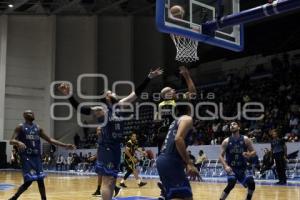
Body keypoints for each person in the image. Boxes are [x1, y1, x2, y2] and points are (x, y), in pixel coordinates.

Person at [58, 68, 163, 200]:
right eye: (111, 92)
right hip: (106, 147)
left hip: (115, 147)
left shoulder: (119, 105)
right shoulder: (101, 110)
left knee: (113, 180)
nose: (114, 93)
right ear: (107, 97)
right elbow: (81, 109)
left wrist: (149, 77)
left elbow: (136, 93)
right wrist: (69, 95)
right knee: (108, 181)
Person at [8, 110, 75, 200]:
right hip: (27, 157)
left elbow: (50, 140)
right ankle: (14, 198)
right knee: (29, 181)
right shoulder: (20, 127)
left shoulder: (38, 128)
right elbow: (11, 141)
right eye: (29, 113)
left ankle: (43, 199)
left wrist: (65, 145)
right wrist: (18, 142)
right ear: (24, 116)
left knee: (40, 180)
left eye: (32, 113)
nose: (32, 114)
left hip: (37, 157)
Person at [157, 66, 197, 199]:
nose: (174, 90)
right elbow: (192, 94)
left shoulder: (175, 102)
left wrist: (187, 77)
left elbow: (191, 94)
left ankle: (166, 189)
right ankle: (166, 188)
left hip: (169, 137)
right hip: (169, 136)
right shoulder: (167, 104)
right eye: (171, 90)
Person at [156, 102, 199, 200]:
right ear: (189, 108)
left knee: (182, 196)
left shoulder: (175, 122)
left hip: (164, 159)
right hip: (171, 160)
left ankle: (164, 193)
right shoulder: (187, 119)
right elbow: (178, 139)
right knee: (185, 196)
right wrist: (189, 164)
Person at [219, 121, 256, 200]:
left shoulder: (245, 139)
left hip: (243, 167)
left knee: (252, 184)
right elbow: (220, 156)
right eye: (230, 125)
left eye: (234, 124)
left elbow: (254, 152)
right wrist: (225, 166)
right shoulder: (226, 141)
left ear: (239, 127)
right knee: (231, 184)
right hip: (232, 168)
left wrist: (249, 154)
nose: (232, 125)